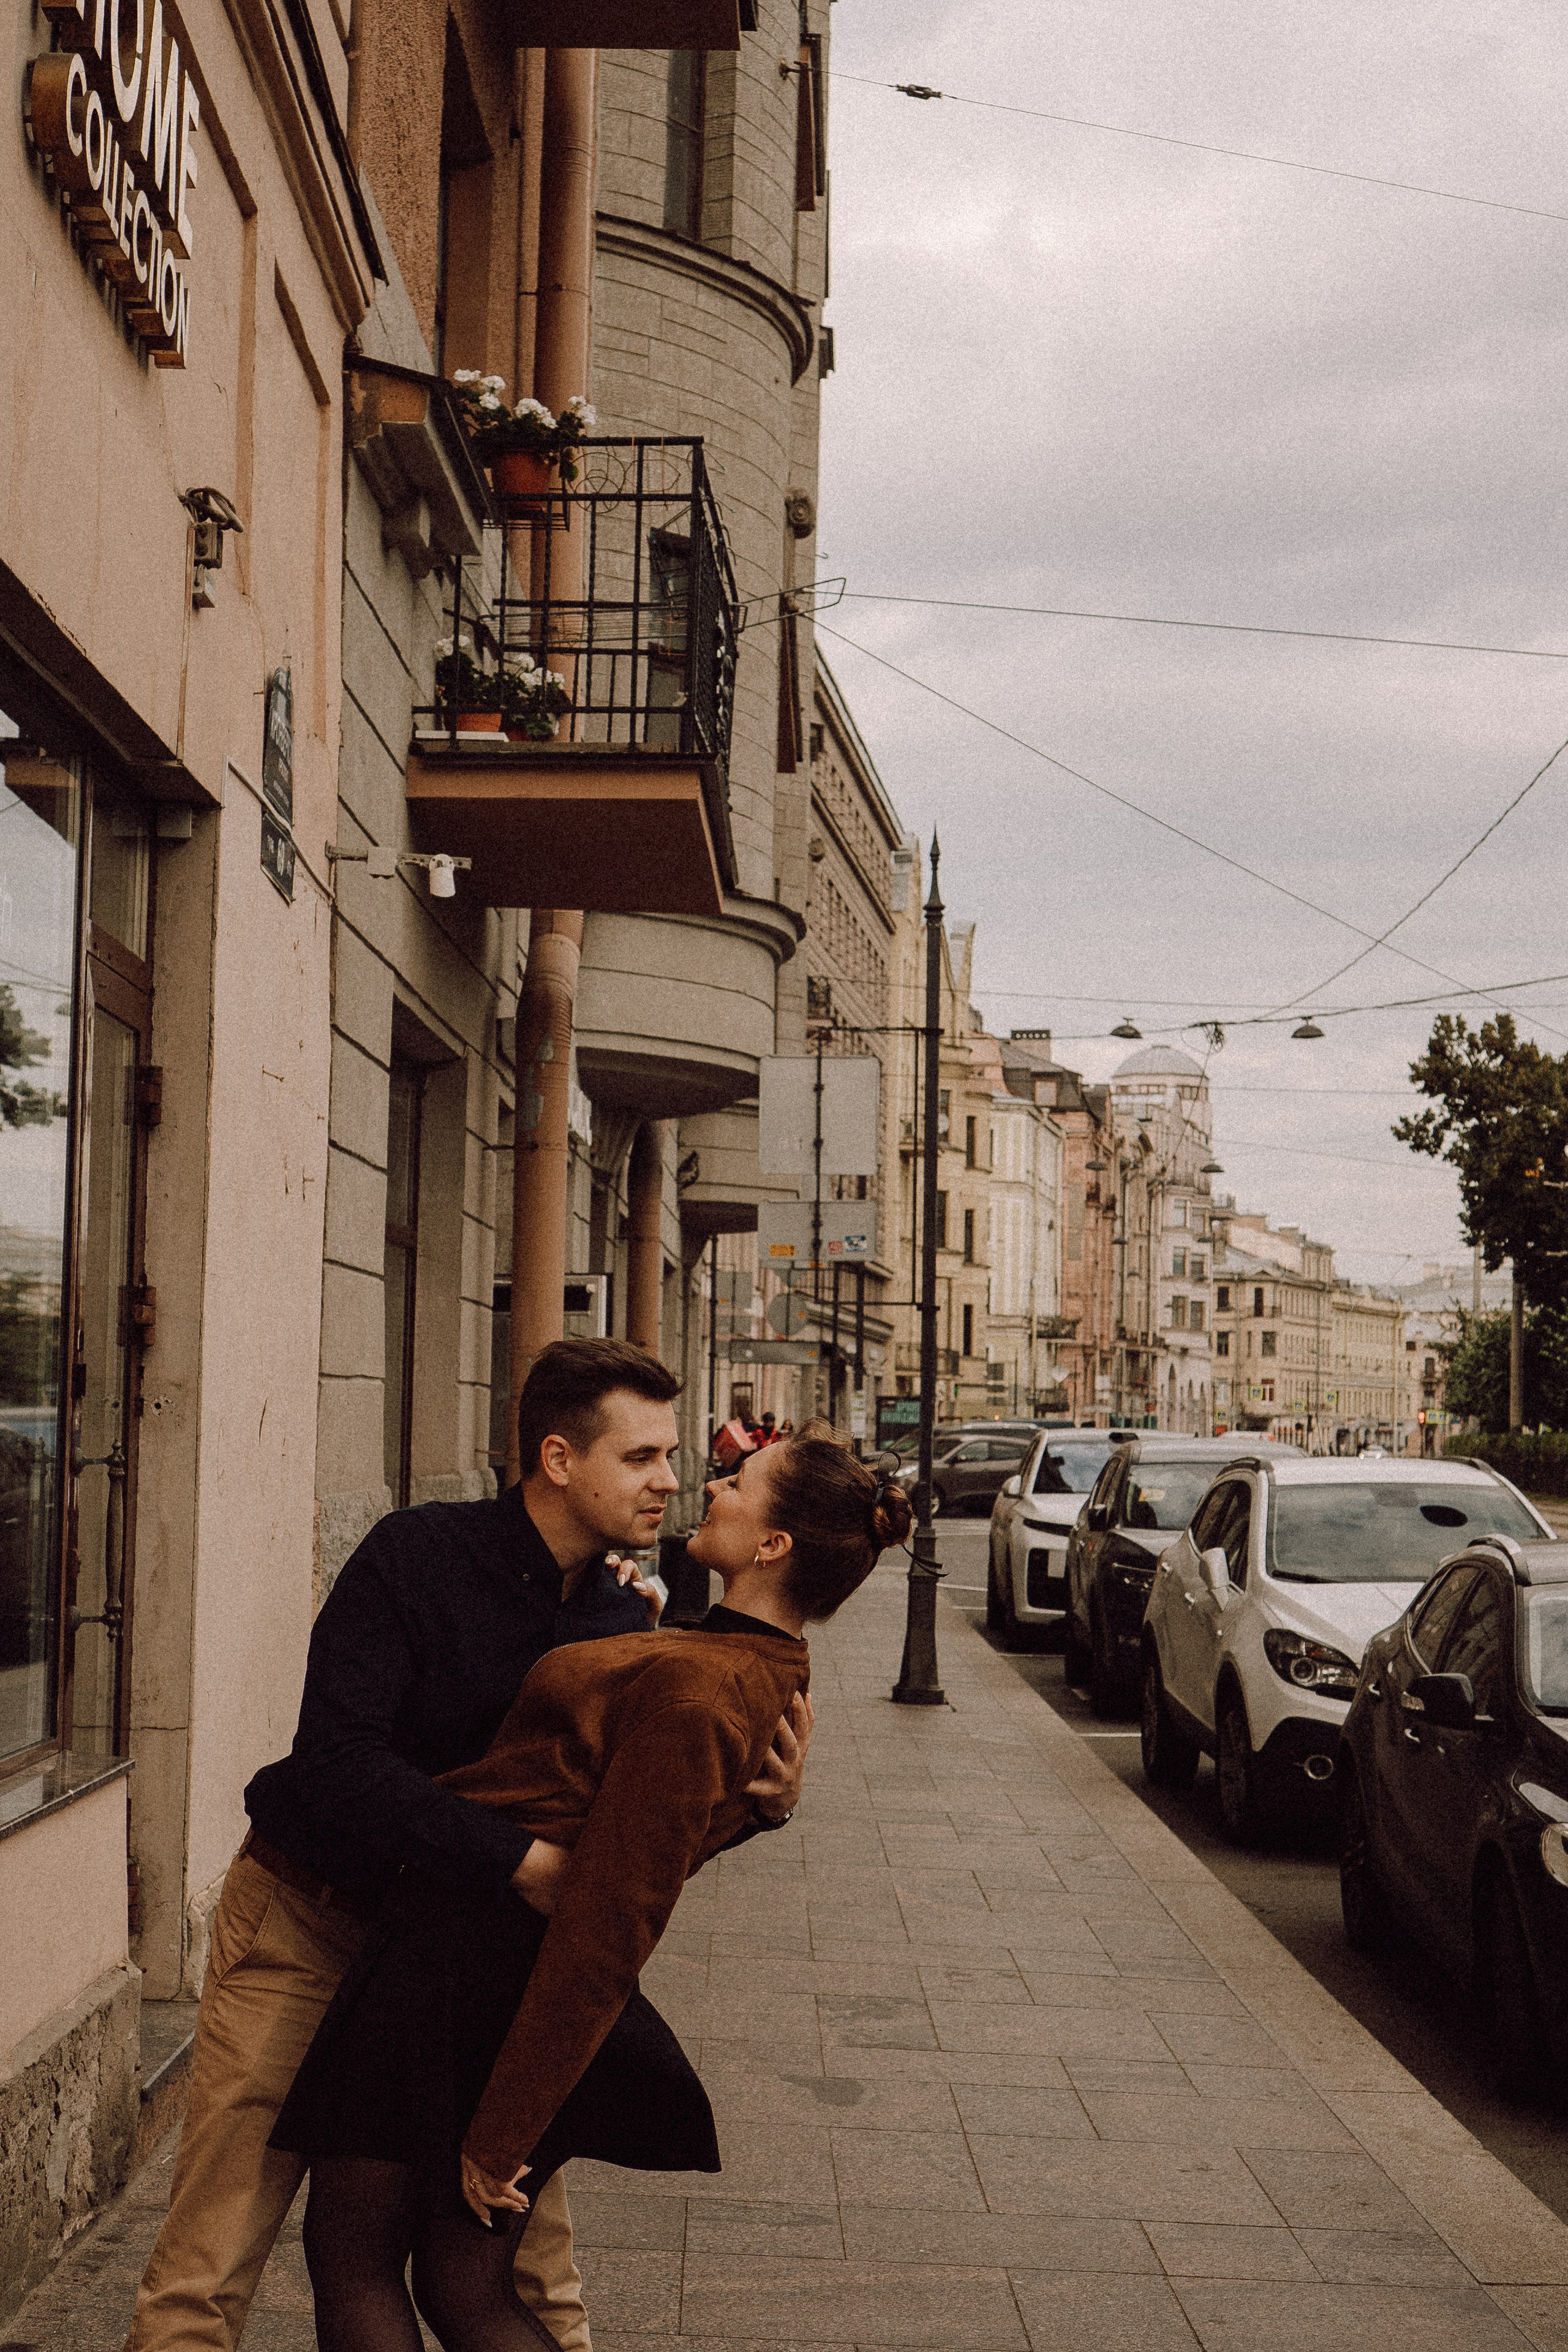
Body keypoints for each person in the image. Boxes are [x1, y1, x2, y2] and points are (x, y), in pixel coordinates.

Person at [126, 1339, 812, 2352]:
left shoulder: (630, 1611)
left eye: (674, 1454)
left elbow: (631, 1837)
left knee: (527, 2266)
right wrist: (521, 1864)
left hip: (463, 1976)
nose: (672, 1478)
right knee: (211, 2263)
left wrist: (760, 1806)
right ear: (558, 1458)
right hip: (311, 1925)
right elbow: (335, 1763)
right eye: (641, 1457)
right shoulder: (417, 1555)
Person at [270, 1431, 912, 2352]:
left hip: (465, 1973)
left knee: (366, 2261)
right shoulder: (743, 1666)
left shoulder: (704, 1686)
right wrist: (762, 1815)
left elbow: (616, 1918)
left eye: (742, 1482)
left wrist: (501, 2137)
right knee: (455, 2282)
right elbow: (650, 1839)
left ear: (774, 1545)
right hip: (472, 1964)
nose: (713, 1486)